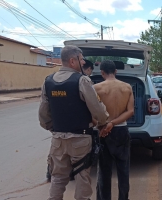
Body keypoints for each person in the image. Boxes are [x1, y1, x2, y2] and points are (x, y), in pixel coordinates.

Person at [38, 45, 109, 200]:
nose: (83, 62)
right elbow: (97, 109)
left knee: (57, 178)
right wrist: (103, 122)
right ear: (72, 61)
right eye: (81, 59)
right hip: (80, 140)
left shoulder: (48, 81)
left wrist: (53, 128)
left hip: (58, 140)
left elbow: (43, 114)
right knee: (82, 176)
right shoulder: (82, 80)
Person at [94, 60, 134, 200]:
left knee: (104, 172)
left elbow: (93, 112)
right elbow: (130, 111)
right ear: (116, 71)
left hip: (103, 132)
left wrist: (104, 125)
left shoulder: (96, 88)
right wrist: (114, 123)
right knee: (124, 170)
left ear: (102, 73)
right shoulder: (127, 87)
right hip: (122, 131)